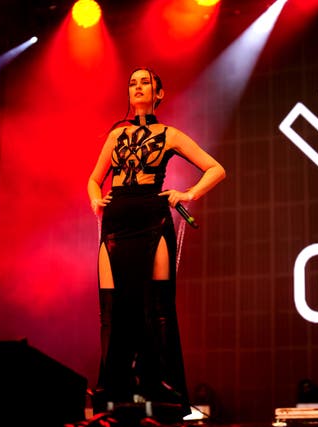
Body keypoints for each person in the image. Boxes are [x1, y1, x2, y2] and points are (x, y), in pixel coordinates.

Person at [87, 67, 226, 419]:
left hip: (153, 217)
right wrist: (95, 199)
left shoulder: (170, 134)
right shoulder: (116, 135)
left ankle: (164, 394)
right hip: (116, 221)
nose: (137, 87)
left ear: (158, 94)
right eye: (132, 83)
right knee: (112, 311)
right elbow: (93, 179)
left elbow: (215, 169)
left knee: (158, 309)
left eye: (144, 82)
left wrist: (188, 193)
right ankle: (113, 396)